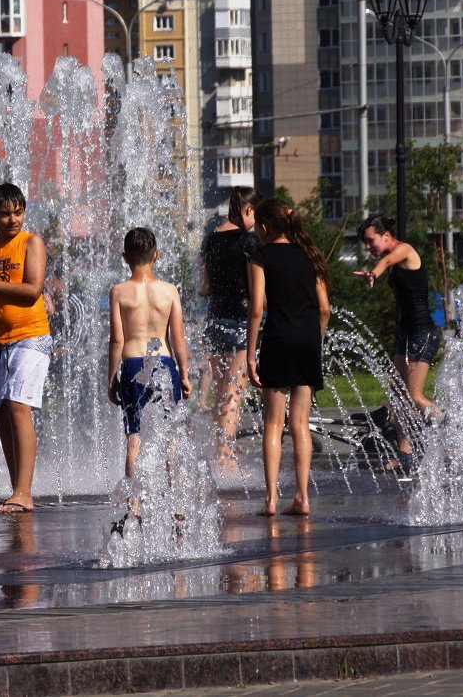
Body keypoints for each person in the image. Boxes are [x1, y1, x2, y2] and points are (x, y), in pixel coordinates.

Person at [246, 199, 330, 517]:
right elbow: (325, 309)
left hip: (278, 340)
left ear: (266, 228)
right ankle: (302, 497)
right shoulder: (310, 255)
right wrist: (315, 338)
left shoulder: (260, 257)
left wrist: (252, 354)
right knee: (300, 424)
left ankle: (270, 499)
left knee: (272, 423)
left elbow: (256, 309)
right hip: (308, 341)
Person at [0, 183, 50, 515]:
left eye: (18, 212)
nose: (12, 219)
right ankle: (16, 489)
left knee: (18, 408)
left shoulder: (32, 243)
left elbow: (32, 290)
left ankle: (24, 492)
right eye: (5, 213)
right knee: (2, 413)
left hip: (31, 335)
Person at [353, 214, 442, 464]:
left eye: (371, 242)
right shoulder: (394, 258)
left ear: (386, 236)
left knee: (414, 396)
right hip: (406, 333)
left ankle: (454, 432)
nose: (369, 248)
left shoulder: (404, 250)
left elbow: (388, 259)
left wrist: (374, 272)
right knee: (398, 396)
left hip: (422, 332)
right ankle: (405, 454)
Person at [107, 227, 192, 478]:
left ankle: (133, 507)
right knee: (170, 440)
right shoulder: (169, 291)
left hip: (133, 365)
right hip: (165, 363)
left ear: (125, 258)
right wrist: (185, 374)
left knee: (134, 437)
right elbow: (178, 337)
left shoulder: (119, 292)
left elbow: (116, 340)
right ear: (157, 255)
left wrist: (112, 379)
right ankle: (176, 504)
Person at [199, 186, 262, 467]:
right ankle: (225, 457)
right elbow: (255, 289)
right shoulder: (248, 242)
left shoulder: (210, 240)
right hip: (240, 321)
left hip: (214, 321)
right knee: (234, 391)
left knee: (221, 392)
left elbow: (204, 288)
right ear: (248, 210)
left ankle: (219, 449)